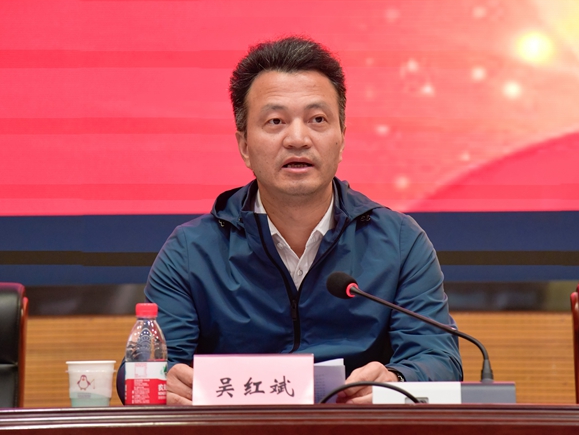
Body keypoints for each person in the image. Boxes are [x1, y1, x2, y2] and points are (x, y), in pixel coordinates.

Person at [117, 36, 462, 405]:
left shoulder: (399, 241)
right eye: (275, 121)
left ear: (342, 139)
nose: (298, 139)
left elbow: (439, 359)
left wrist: (398, 380)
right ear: (244, 146)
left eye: (317, 120)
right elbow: (142, 369)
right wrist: (164, 381)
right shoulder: (192, 251)